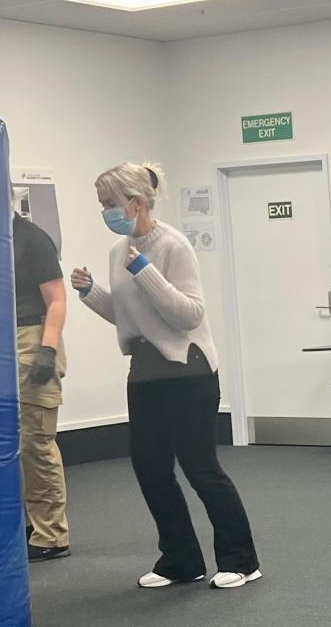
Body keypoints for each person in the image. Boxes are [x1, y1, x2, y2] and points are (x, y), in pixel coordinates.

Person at [71, 161, 260, 590]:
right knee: (151, 470)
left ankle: (242, 560)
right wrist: (90, 293)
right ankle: (181, 560)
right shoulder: (118, 252)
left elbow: (189, 313)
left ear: (136, 203)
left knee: (200, 467)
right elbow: (128, 317)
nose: (106, 212)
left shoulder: (173, 245)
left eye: (110, 203)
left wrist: (147, 273)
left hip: (187, 372)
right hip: (144, 375)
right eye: (101, 205)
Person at [11, 196, 70, 563]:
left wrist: (47, 349)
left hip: (32, 339)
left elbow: (58, 299)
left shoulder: (31, 238)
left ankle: (52, 533)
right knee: (11, 444)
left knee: (35, 442)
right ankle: (32, 521)